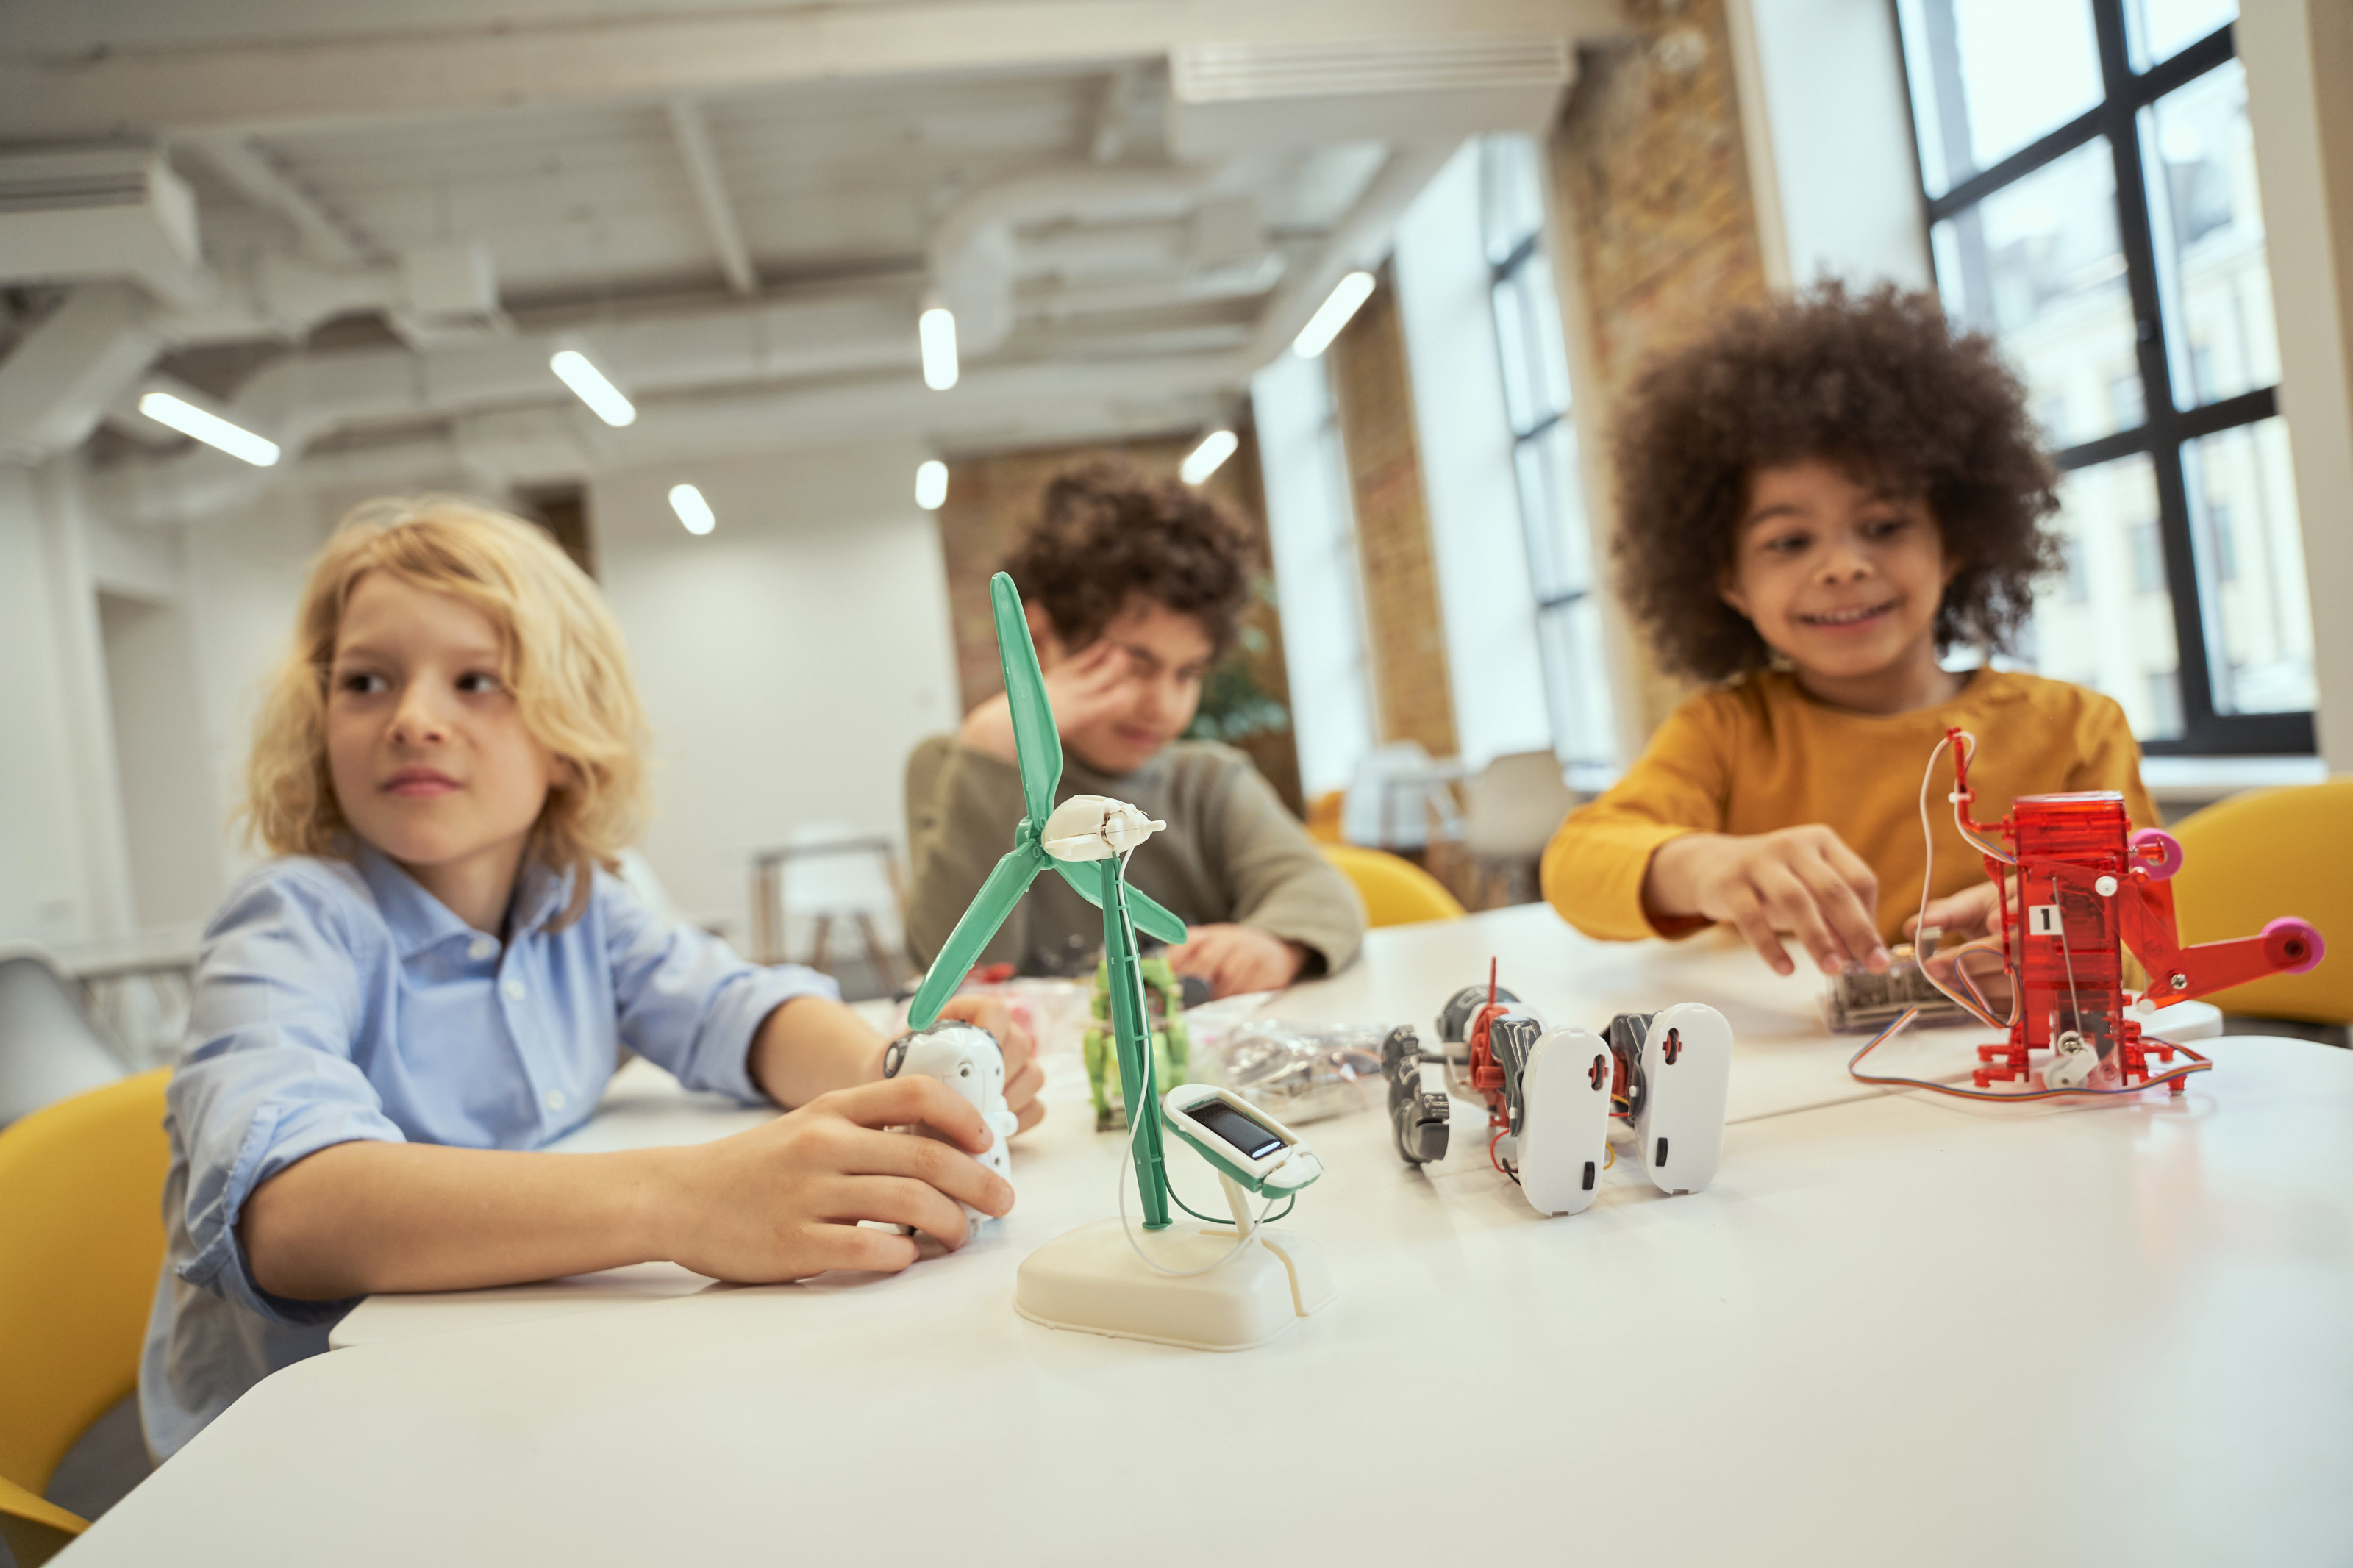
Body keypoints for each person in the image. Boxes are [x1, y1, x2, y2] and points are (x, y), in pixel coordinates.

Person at [142, 497, 1038, 1459]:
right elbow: (292, 1215)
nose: (412, 720)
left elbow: (741, 1013)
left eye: (476, 680)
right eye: (365, 681)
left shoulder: (576, 900)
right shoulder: (292, 920)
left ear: (567, 729)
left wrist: (899, 1074)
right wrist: (684, 1202)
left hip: (500, 1391)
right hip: (309, 1450)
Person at [1543, 284, 2157, 978]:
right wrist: (1706, 866)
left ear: (1954, 541)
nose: (1842, 567)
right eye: (1789, 541)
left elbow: (2146, 946)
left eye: (1884, 526)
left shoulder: (2075, 730)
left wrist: (2062, 938)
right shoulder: (1726, 733)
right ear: (1728, 582)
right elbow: (1577, 864)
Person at [905, 463, 1364, 998]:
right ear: (1040, 639)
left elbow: (1318, 889)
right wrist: (993, 746)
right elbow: (948, 964)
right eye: (1135, 665)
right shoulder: (959, 766)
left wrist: (1274, 943)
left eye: (1187, 672)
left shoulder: (1208, 781)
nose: (1163, 706)